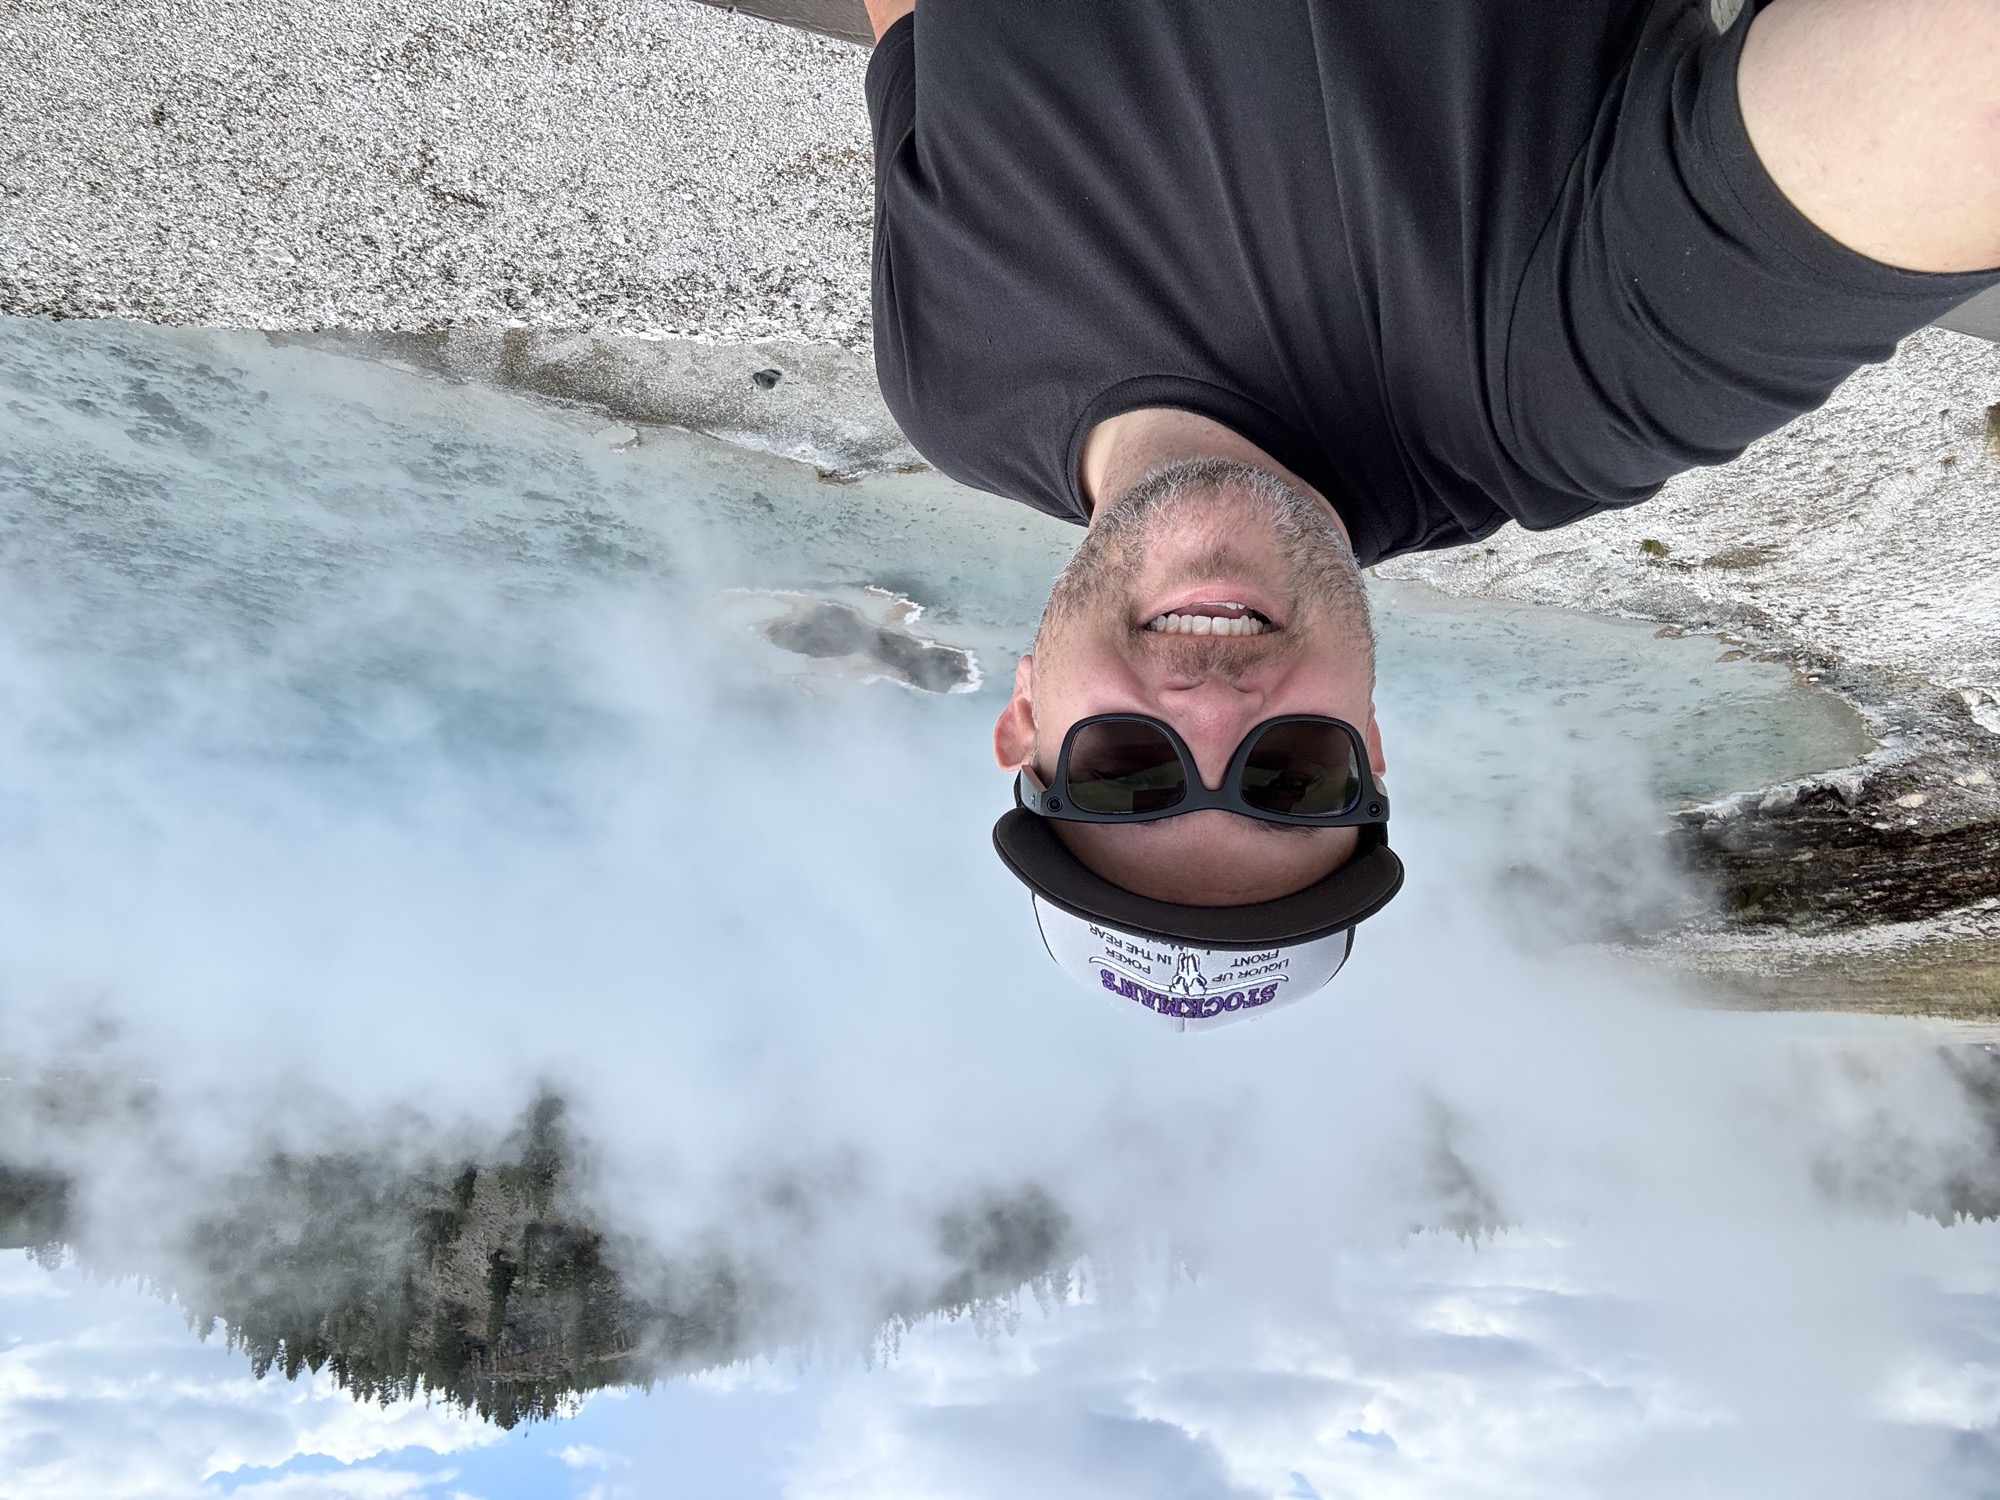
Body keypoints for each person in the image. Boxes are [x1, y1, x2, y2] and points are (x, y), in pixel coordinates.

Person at [858, 0, 2000, 1027]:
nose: (1210, 712)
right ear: (1368, 745)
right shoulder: (1563, 393)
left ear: (1020, 721)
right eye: (1291, 779)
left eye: (1122, 772)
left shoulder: (947, 386)